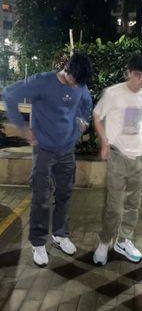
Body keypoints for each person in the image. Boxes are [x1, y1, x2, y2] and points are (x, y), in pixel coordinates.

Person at [3, 52, 92, 267]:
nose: (74, 88)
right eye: (73, 82)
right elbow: (8, 94)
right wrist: (23, 128)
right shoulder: (41, 82)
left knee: (64, 194)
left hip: (67, 150)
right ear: (66, 71)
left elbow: (86, 103)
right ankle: (38, 242)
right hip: (43, 150)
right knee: (40, 197)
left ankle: (60, 235)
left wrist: (82, 120)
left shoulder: (80, 84)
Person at [93, 54, 142, 265]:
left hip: (139, 157)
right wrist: (104, 143)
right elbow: (97, 115)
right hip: (117, 155)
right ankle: (104, 241)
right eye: (136, 75)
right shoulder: (112, 94)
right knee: (114, 206)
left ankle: (124, 240)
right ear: (129, 72)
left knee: (133, 203)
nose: (139, 80)